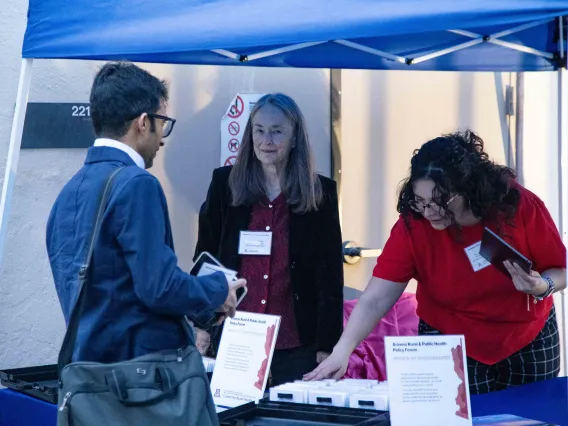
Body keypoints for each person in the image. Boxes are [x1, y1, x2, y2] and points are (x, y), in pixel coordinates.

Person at [306, 130, 566, 395]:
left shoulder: (518, 205)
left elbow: (561, 271)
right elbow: (375, 299)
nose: (430, 212)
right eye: (421, 201)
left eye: (441, 201)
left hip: (527, 335)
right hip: (449, 336)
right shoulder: (413, 224)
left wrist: (541, 286)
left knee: (532, 417)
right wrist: (342, 350)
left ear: (469, 189)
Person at [46, 62, 246, 363]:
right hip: (136, 381)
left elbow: (120, 286)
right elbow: (159, 286)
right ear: (143, 122)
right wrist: (218, 290)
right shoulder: (137, 183)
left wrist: (204, 305)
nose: (163, 138)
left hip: (88, 373)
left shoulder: (69, 191)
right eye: (162, 122)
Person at [194, 93, 344, 386]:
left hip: (297, 340)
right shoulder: (225, 185)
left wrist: (328, 345)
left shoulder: (320, 193)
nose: (267, 140)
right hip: (236, 332)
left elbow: (329, 276)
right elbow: (206, 258)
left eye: (277, 131)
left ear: (295, 137)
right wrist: (202, 323)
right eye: (259, 130)